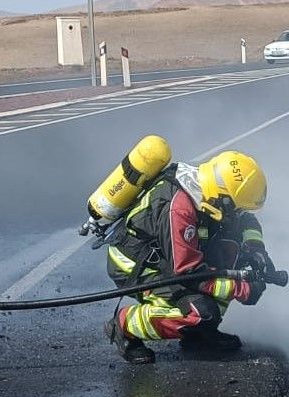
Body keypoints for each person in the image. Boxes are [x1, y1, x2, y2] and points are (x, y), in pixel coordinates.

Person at [104, 150, 271, 364]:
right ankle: (125, 324)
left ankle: (199, 335)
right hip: (139, 265)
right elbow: (188, 274)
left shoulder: (208, 190)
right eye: (235, 207)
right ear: (224, 198)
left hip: (174, 257)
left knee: (228, 254)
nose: (237, 212)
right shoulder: (180, 210)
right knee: (201, 312)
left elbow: (245, 220)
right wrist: (242, 288)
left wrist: (255, 249)